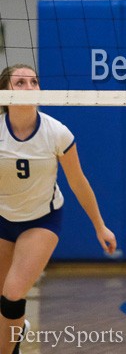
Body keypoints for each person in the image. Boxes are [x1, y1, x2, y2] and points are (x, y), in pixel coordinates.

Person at [0, 64, 117, 354]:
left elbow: (78, 182)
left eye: (33, 82)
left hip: (41, 220)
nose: (29, 88)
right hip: (3, 217)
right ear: (5, 93)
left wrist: (99, 225)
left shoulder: (57, 133)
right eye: (20, 83)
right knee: (2, 302)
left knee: (13, 295)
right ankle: (17, 331)